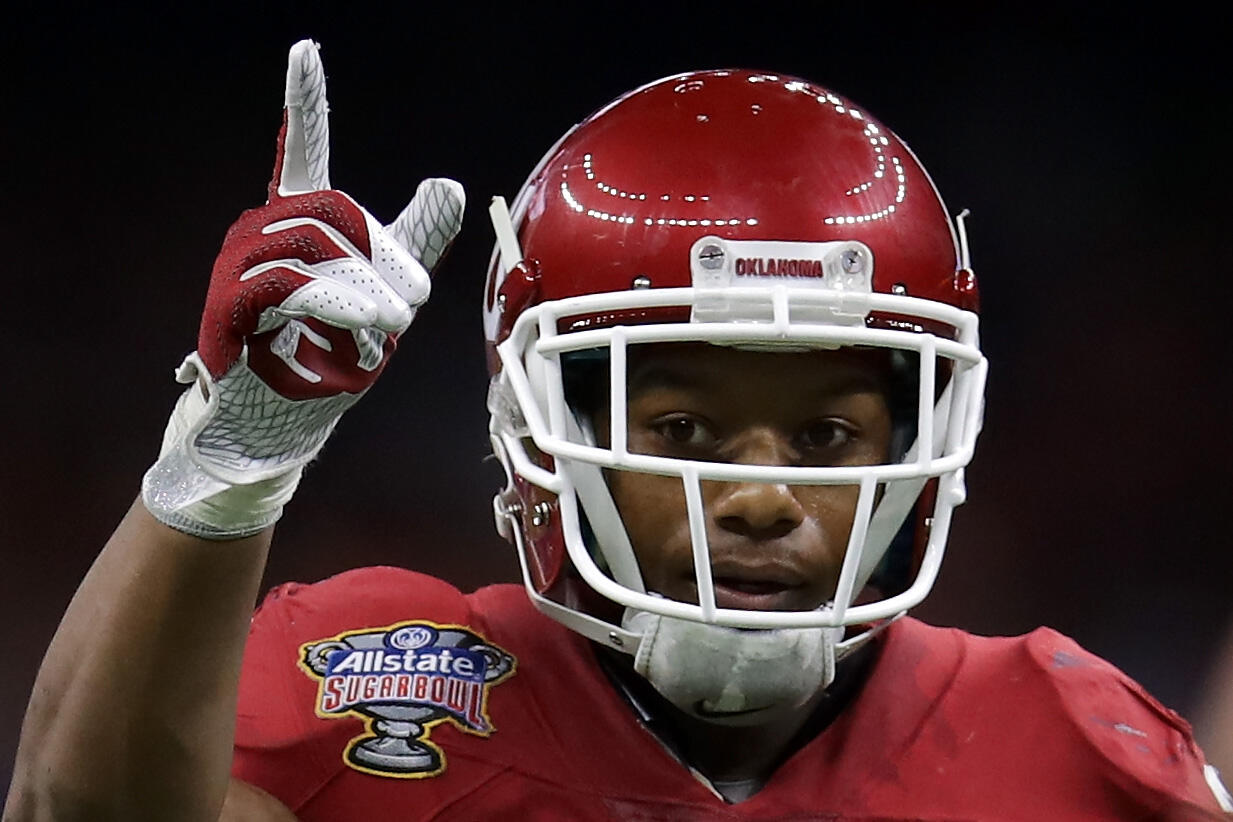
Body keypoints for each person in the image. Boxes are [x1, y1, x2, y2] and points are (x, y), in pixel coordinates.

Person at [5, 40, 1230, 821]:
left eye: (825, 439)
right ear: (545, 427)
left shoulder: (1076, 741)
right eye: (688, 424)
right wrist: (232, 464)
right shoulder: (382, 689)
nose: (759, 497)